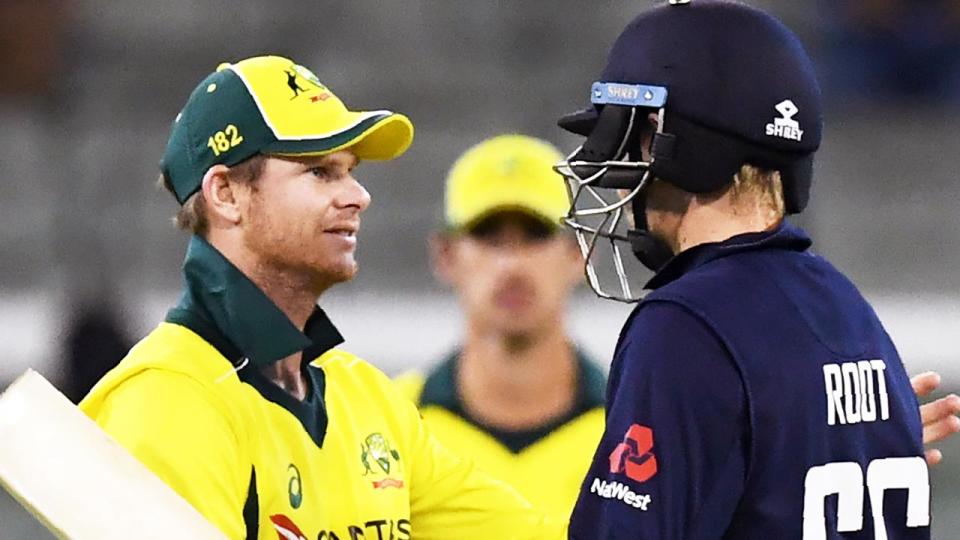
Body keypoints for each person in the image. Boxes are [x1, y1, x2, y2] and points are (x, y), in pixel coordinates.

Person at [79, 55, 565, 540]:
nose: (358, 195)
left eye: (350, 170)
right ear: (225, 194)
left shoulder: (367, 398)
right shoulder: (166, 400)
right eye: (319, 171)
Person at [552, 1, 957, 538]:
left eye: (631, 142)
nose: (619, 180)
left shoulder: (685, 325)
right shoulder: (848, 309)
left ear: (674, 142)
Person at [394, 134, 604, 518]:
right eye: (489, 237)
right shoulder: (389, 428)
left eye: (536, 235)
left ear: (579, 254)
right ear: (446, 255)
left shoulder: (634, 433)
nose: (512, 265)